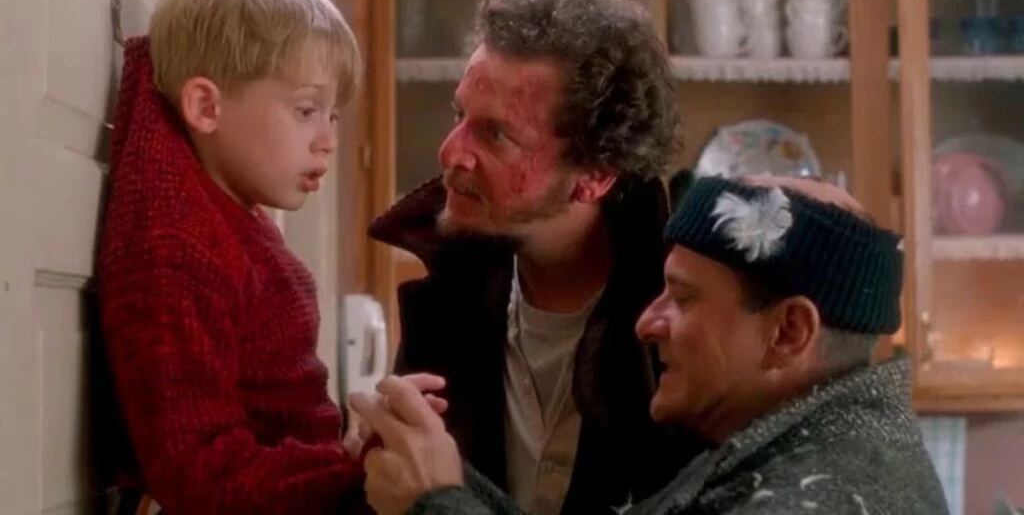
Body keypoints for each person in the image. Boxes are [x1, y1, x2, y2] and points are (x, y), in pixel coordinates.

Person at [350, 174, 951, 515]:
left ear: (788, 332)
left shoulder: (822, 498)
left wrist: (437, 502)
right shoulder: (799, 449)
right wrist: (440, 473)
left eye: (683, 299)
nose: (647, 323)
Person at [357, 0, 697, 515]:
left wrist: (435, 503)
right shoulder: (450, 297)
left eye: (496, 134)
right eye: (459, 115)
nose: (450, 152)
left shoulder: (680, 331)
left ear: (595, 175)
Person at [97, 0, 373, 514]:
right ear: (206, 106)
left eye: (334, 117)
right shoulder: (177, 249)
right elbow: (196, 472)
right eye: (306, 110)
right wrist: (353, 469)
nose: (328, 141)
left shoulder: (232, 218)